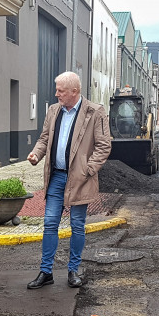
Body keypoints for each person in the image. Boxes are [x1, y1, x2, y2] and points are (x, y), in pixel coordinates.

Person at [25, 72, 111, 289]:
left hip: (80, 179)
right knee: (50, 224)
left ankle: (73, 271)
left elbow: (104, 145)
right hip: (56, 176)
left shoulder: (95, 112)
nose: (56, 94)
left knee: (77, 226)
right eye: (57, 90)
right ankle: (46, 272)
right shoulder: (54, 110)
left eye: (60, 91)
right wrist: (36, 154)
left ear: (75, 91)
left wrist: (88, 170)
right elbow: (44, 138)